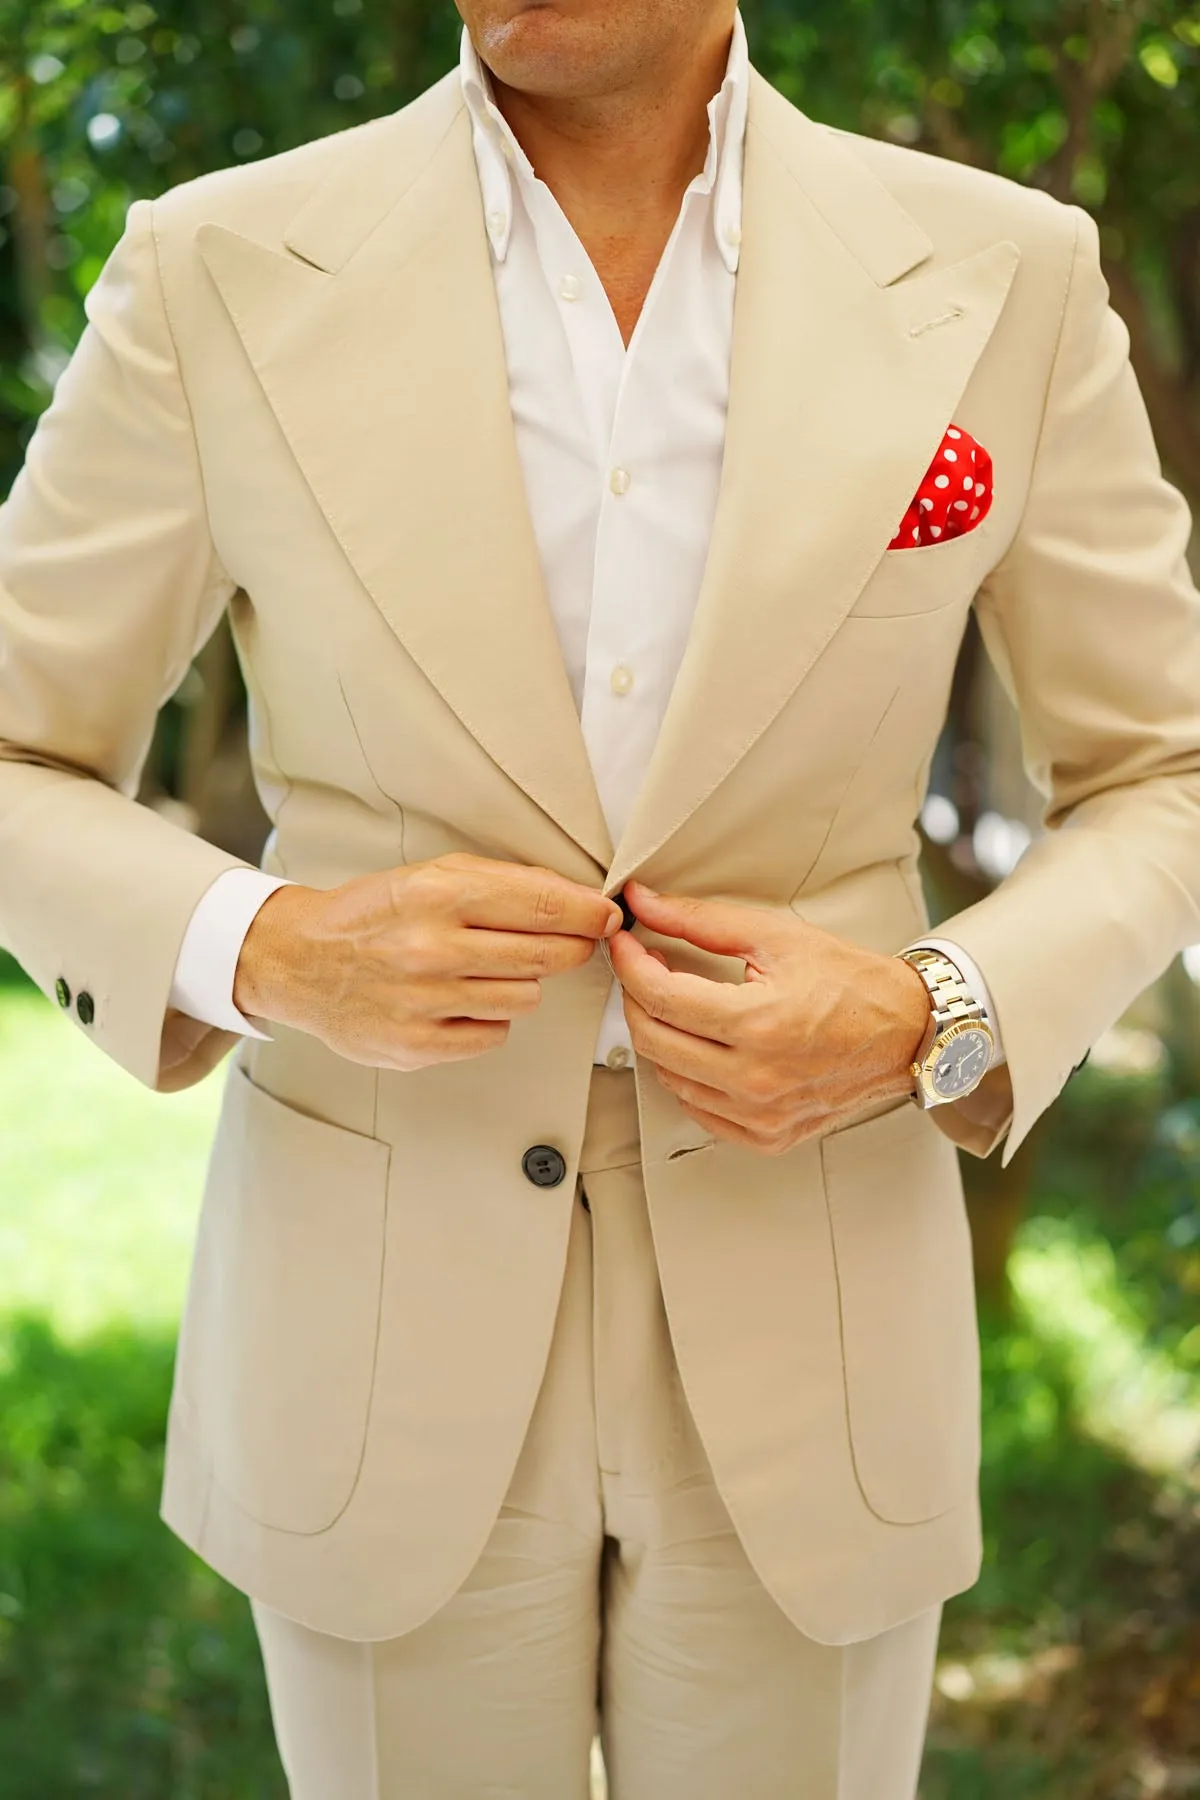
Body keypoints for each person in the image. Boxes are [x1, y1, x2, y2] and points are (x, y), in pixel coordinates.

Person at [2, 2, 1199, 1793]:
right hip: (371, 1316)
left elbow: (1161, 768)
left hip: (826, 1306)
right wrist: (263, 950)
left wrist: (927, 1011)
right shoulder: (218, 265)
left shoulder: (1003, 276)